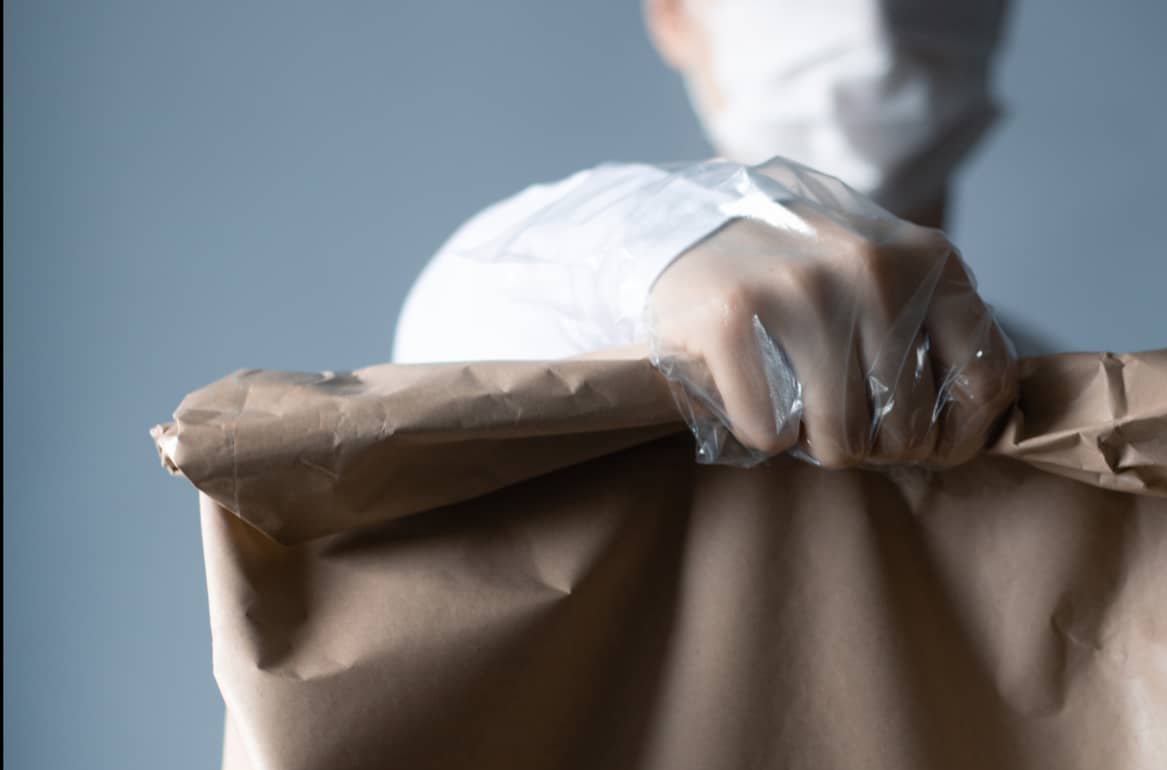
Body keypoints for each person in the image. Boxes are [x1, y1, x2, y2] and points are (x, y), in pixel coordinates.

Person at [392, 0, 1019, 468]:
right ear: (674, 16)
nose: (869, 18)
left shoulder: (1048, 387)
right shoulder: (565, 296)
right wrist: (670, 241)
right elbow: (450, 340)